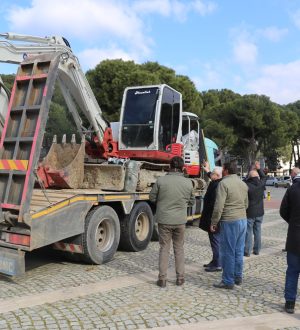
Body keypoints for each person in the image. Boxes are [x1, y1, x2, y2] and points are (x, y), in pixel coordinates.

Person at [149, 156, 195, 288]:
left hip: (164, 219)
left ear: (170, 166)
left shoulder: (161, 180)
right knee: (179, 249)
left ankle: (162, 279)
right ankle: (180, 278)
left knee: (164, 248)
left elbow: (152, 197)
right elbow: (192, 201)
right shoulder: (188, 183)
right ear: (182, 168)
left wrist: (162, 202)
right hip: (180, 220)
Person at [210, 160, 248, 289]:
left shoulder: (223, 183)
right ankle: (238, 277)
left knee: (228, 252)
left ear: (226, 170)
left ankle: (228, 280)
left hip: (229, 220)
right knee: (239, 250)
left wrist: (214, 222)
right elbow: (246, 204)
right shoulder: (243, 184)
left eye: (222, 169)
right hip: (242, 219)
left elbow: (219, 205)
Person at [279, 167, 300, 314]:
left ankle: (290, 302)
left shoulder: (292, 189)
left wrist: (292, 222)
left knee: (292, 271)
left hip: (294, 236)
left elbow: (283, 211)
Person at [199, 162, 223, 272]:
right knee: (214, 240)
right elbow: (212, 175)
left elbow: (215, 205)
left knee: (215, 241)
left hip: (213, 219)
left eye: (213, 174)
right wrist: (207, 170)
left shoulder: (217, 185)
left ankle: (218, 264)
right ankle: (215, 260)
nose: (210, 175)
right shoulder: (216, 182)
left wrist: (213, 222)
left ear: (217, 176)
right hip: (211, 217)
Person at [244, 161, 267, 257]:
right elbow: (264, 177)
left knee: (248, 232)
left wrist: (250, 174)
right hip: (260, 212)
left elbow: (244, 180)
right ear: (257, 176)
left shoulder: (246, 185)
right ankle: (257, 250)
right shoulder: (261, 184)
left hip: (250, 212)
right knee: (258, 231)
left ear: (250, 176)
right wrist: (258, 168)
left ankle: (247, 251)